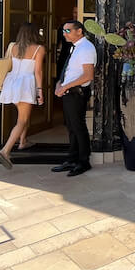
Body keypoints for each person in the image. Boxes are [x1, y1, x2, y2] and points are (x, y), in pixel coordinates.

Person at [0, 22, 44, 169]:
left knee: (23, 115)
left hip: (11, 83)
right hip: (25, 84)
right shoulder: (39, 49)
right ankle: (5, 151)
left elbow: (5, 65)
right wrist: (39, 90)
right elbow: (38, 72)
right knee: (22, 120)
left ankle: (23, 142)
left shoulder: (12, 46)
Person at [52, 20, 96, 176]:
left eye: (68, 31)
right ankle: (72, 159)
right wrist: (59, 83)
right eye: (64, 31)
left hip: (76, 93)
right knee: (71, 127)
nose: (64, 34)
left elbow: (88, 75)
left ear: (79, 31)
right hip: (68, 91)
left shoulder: (86, 48)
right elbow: (70, 70)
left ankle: (83, 162)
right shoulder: (75, 47)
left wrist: (65, 87)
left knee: (78, 127)